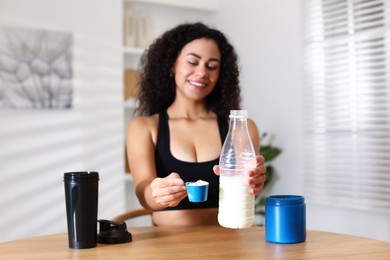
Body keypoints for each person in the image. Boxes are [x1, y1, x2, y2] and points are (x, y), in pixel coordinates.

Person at [126, 22, 267, 226]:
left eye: (212, 66)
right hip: (167, 248)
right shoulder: (144, 127)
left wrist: (255, 181)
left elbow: (248, 185)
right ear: (171, 64)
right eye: (193, 62)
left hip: (229, 245)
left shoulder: (239, 127)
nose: (202, 73)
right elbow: (143, 190)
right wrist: (156, 192)